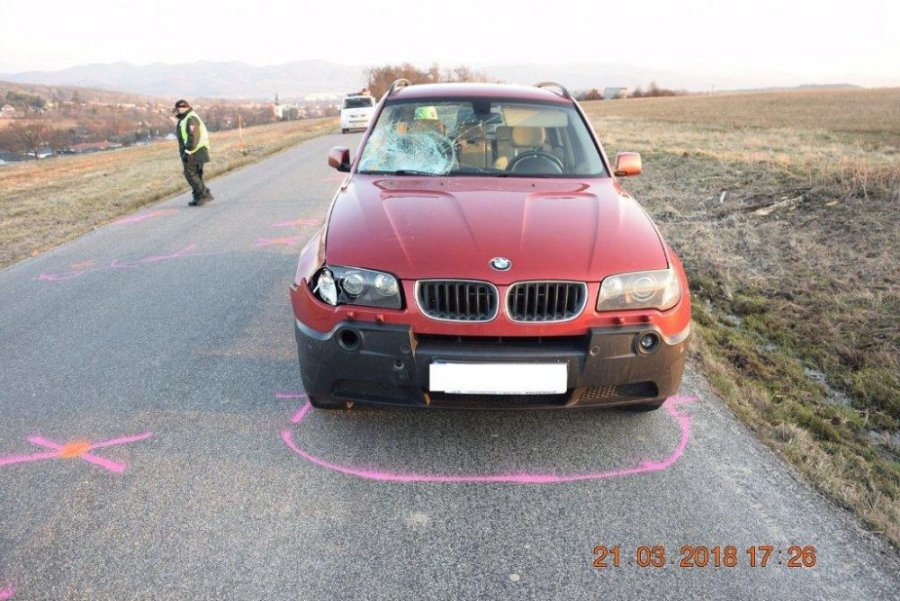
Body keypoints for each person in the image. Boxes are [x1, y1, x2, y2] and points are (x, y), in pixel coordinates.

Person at [173, 99, 213, 206]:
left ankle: (204, 194)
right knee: (196, 175)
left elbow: (193, 137)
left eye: (178, 109)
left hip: (195, 151)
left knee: (190, 174)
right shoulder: (187, 118)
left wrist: (187, 151)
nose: (177, 111)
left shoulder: (191, 119)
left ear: (183, 108)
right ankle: (198, 197)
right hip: (196, 151)